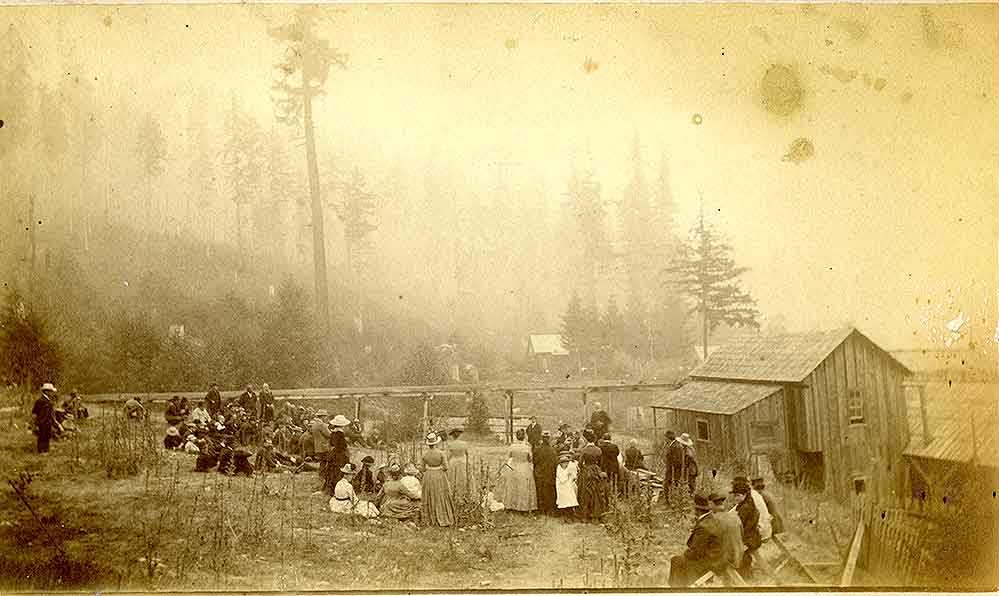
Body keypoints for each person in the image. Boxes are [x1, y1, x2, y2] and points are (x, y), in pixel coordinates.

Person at [668, 494, 725, 587]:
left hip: (709, 562)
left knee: (676, 560)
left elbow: (696, 552)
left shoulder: (703, 526)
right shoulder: (711, 519)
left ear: (697, 510)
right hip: (715, 557)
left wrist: (685, 554)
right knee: (680, 559)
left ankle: (676, 589)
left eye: (694, 510)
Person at [496, 428, 537, 513]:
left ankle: (511, 505)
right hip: (524, 467)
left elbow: (508, 457)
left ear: (516, 436)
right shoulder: (527, 447)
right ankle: (523, 507)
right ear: (524, 436)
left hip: (513, 467)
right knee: (523, 487)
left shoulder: (512, 446)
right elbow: (530, 459)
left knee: (513, 486)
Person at [421, 432, 456, 526]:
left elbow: (422, 468)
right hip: (439, 476)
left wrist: (430, 468)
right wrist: (438, 468)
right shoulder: (441, 453)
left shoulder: (425, 455)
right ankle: (443, 517)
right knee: (441, 495)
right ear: (436, 443)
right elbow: (446, 467)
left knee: (430, 495)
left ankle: (430, 518)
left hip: (428, 476)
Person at [731, 476, 762, 578]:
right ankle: (746, 575)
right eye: (734, 495)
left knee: (733, 551)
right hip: (751, 536)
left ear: (744, 494)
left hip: (749, 539)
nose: (735, 498)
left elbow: (739, 526)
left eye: (738, 495)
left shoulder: (745, 507)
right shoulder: (747, 501)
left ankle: (743, 577)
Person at [576, 429, 608, 522]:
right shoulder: (598, 450)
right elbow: (601, 463)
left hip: (586, 471)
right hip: (596, 471)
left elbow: (580, 463)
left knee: (585, 493)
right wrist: (597, 470)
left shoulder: (584, 450)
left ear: (586, 440)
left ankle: (585, 516)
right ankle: (596, 515)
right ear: (594, 440)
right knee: (596, 493)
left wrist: (583, 469)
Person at [710, 492, 744, 571]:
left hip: (727, 560)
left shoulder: (714, 520)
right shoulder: (735, 516)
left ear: (711, 504)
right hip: (740, 554)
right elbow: (742, 535)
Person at [533, 432, 558, 515]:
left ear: (542, 439)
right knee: (549, 492)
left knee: (540, 491)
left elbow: (534, 461)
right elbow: (555, 463)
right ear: (549, 439)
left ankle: (541, 510)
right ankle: (549, 510)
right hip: (549, 474)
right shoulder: (553, 450)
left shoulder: (537, 449)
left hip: (540, 474)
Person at [31, 383, 57, 454]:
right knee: (42, 436)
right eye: (51, 391)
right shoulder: (40, 401)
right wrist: (35, 424)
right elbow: (35, 413)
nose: (52, 393)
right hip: (42, 422)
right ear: (46, 391)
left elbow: (51, 413)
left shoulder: (48, 401)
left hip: (47, 422)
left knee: (47, 436)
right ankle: (41, 451)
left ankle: (46, 450)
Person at [445, 428, 471, 499]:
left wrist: (446, 463)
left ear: (452, 436)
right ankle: (462, 493)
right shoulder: (464, 443)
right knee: (462, 477)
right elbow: (467, 454)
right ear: (459, 435)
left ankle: (453, 493)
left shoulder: (450, 444)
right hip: (462, 461)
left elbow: (448, 456)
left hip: (453, 461)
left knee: (453, 477)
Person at [329, 414, 352, 492]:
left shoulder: (333, 433)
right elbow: (342, 446)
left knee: (333, 470)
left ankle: (332, 487)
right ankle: (338, 487)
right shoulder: (340, 434)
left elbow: (331, 443)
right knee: (340, 470)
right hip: (340, 455)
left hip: (334, 454)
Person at [312, 410, 333, 490]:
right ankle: (324, 477)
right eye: (325, 416)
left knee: (322, 462)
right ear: (322, 416)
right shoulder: (321, 425)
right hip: (324, 447)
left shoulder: (314, 424)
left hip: (317, 446)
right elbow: (329, 435)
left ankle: (321, 476)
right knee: (326, 462)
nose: (326, 418)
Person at [555, 452, 579, 518]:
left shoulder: (570, 467)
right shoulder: (559, 468)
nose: (565, 464)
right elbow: (562, 479)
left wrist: (572, 476)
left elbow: (574, 476)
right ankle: (565, 514)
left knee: (570, 498)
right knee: (564, 500)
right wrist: (568, 474)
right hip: (561, 486)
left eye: (566, 462)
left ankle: (571, 513)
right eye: (563, 463)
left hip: (568, 486)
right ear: (561, 463)